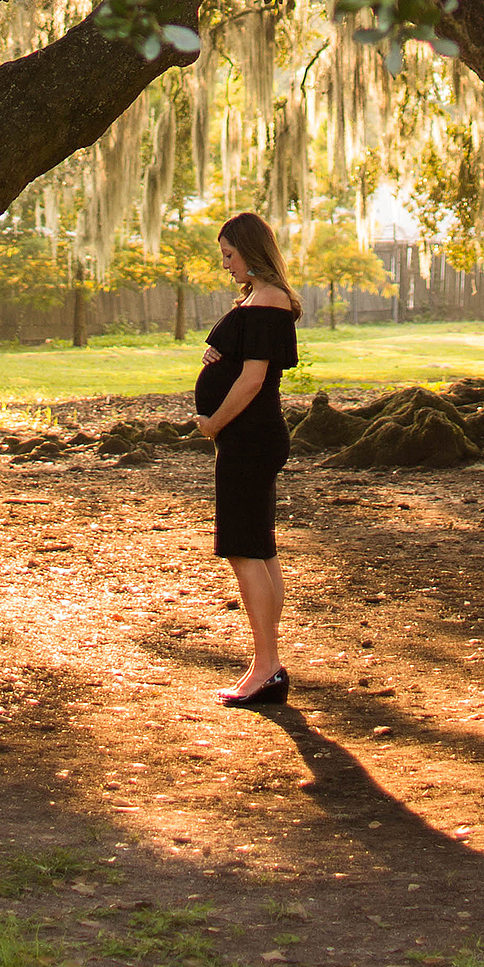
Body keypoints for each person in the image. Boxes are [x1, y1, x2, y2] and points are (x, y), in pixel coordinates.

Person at [195, 211, 300, 708]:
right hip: (251, 439)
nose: (226, 265)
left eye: (230, 255)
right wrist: (218, 358)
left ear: (251, 251)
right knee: (259, 548)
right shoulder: (259, 301)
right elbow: (242, 362)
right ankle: (267, 665)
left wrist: (214, 423)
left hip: (249, 438)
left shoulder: (268, 301)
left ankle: (266, 667)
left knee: (244, 550)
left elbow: (255, 379)